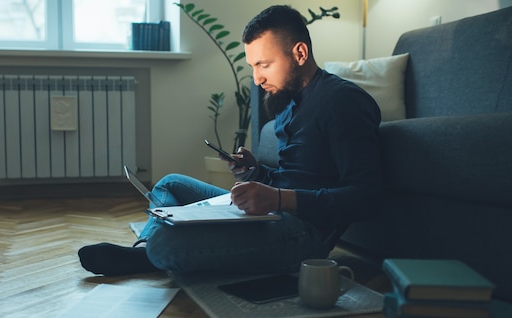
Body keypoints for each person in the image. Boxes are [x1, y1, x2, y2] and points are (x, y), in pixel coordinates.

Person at [78, 5, 382, 276]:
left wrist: (278, 199)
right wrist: (256, 173)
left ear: (300, 54)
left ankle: (150, 252)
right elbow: (296, 177)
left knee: (167, 241)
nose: (256, 79)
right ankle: (145, 251)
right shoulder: (289, 103)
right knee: (170, 184)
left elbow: (366, 197)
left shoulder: (344, 102)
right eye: (252, 67)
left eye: (263, 64)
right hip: (275, 211)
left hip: (305, 233)